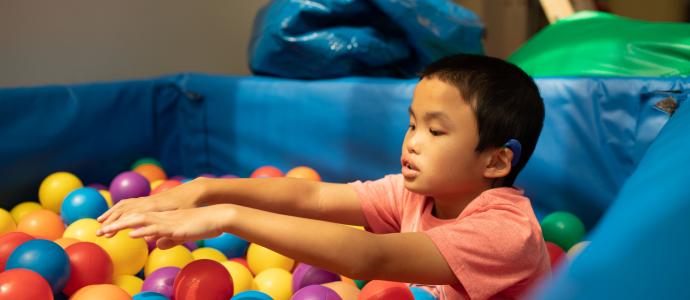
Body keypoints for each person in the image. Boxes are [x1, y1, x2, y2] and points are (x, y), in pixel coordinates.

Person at [97, 53, 550, 299]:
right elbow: (311, 197)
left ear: (495, 162)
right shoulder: (419, 195)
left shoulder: (504, 232)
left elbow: (367, 258)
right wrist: (203, 189)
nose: (412, 141)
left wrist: (226, 216)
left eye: (435, 131)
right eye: (412, 124)